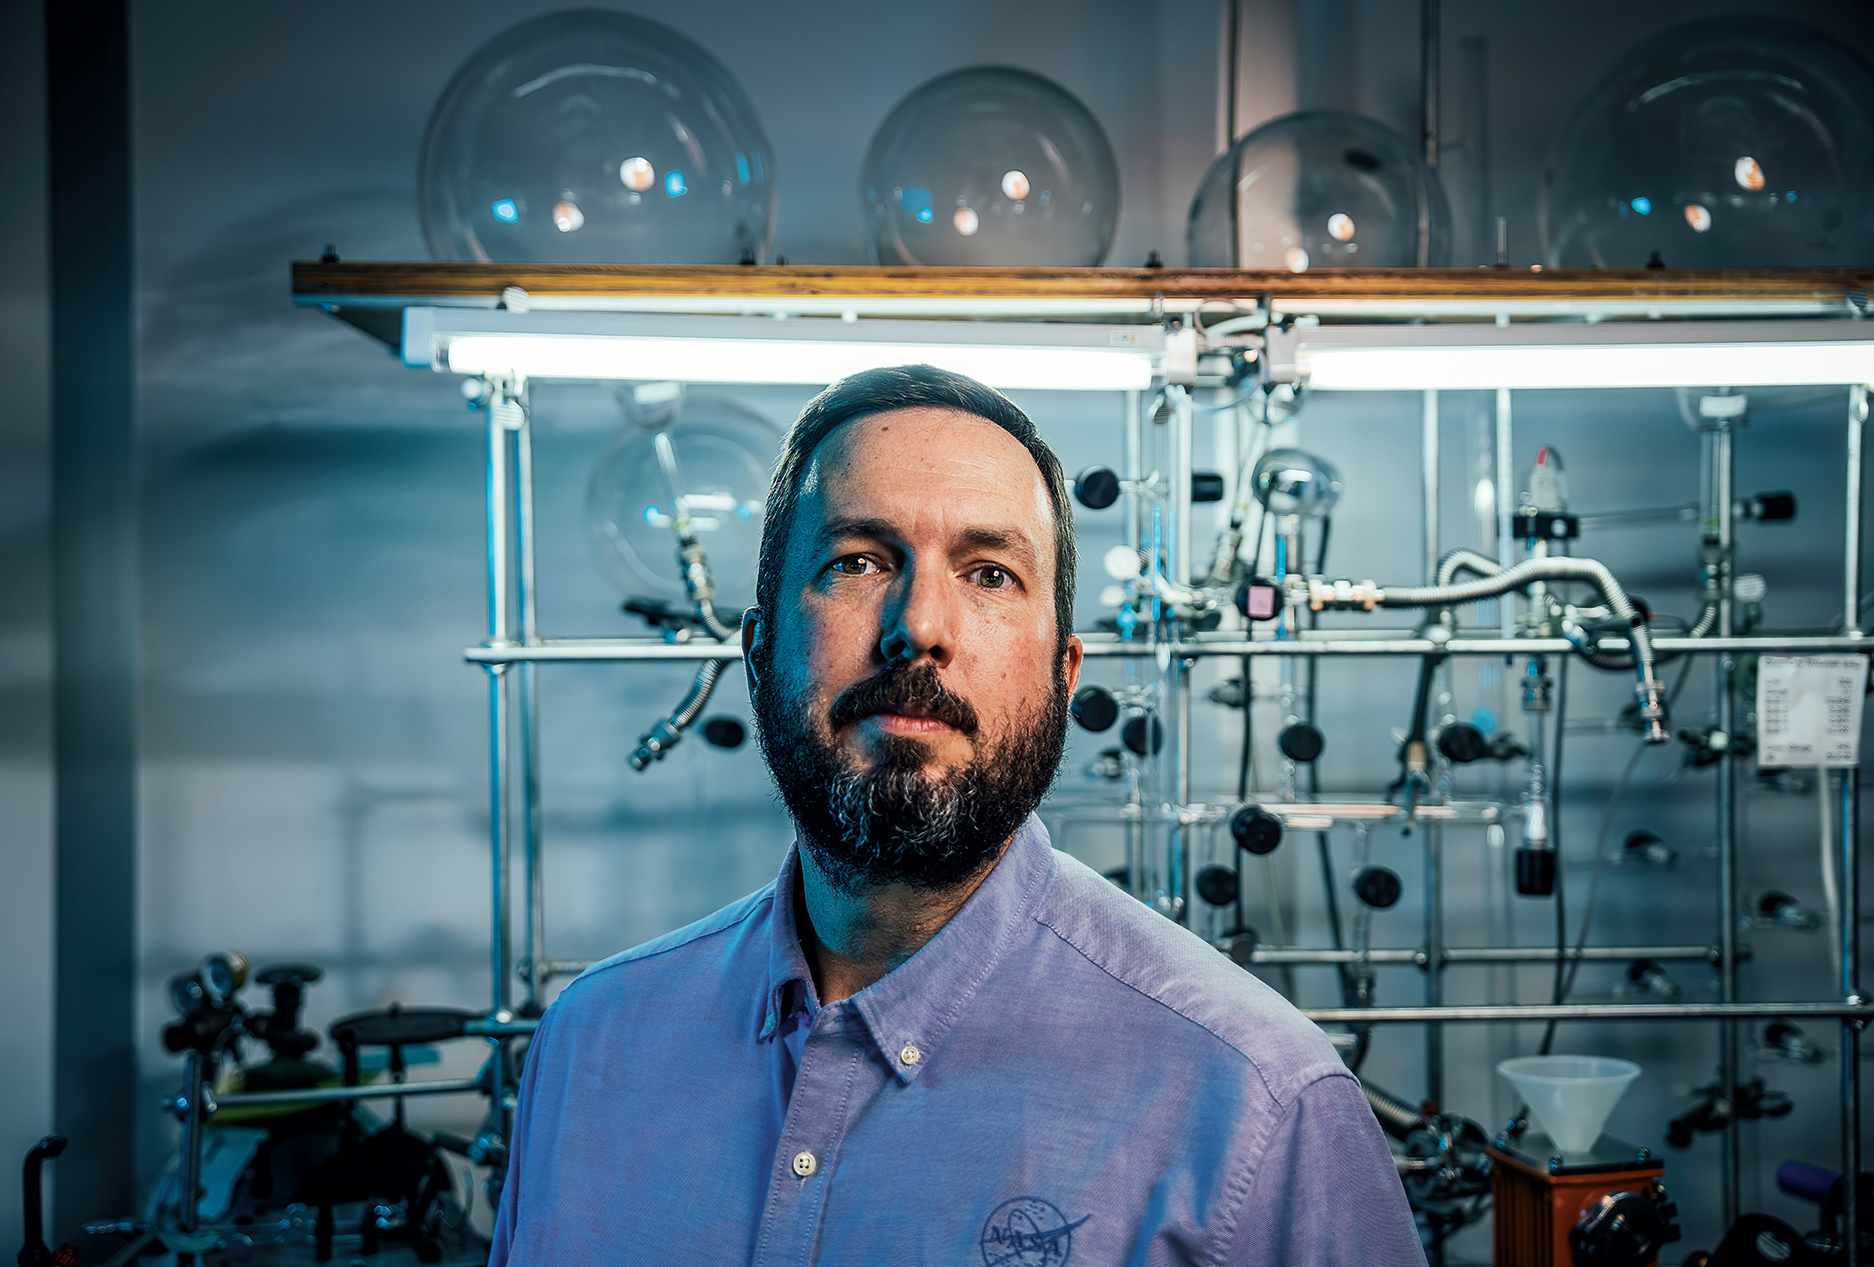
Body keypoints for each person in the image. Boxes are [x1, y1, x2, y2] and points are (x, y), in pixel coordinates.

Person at [489, 365, 1425, 1265]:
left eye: (989, 574)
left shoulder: (1260, 1103)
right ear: (760, 649)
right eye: (858, 561)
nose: (921, 626)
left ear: (1064, 674)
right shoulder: (590, 1047)